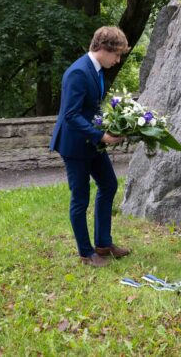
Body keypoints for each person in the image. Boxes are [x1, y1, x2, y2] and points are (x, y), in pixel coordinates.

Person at [50, 26, 131, 267]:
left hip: (92, 143)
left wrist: (116, 125)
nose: (117, 61)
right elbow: (71, 115)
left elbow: (91, 108)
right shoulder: (78, 72)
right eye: (116, 55)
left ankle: (103, 244)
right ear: (104, 49)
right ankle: (86, 253)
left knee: (108, 184)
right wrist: (101, 136)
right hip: (74, 145)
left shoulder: (96, 71)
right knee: (81, 197)